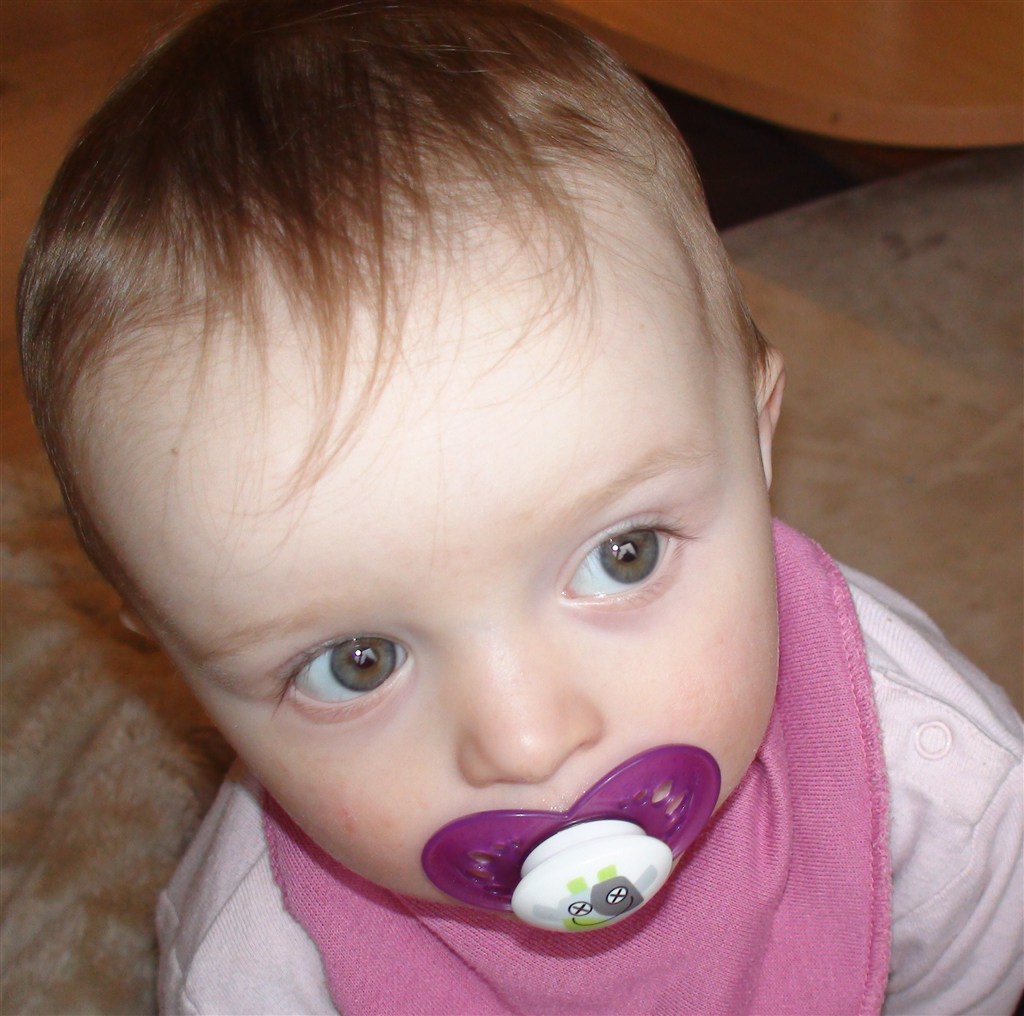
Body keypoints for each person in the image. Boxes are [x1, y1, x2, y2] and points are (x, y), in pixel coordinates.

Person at [17, 1, 1022, 1012]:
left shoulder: (936, 780)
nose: (528, 739)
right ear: (174, 651)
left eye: (624, 555)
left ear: (758, 439)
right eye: (356, 660)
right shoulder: (262, 974)